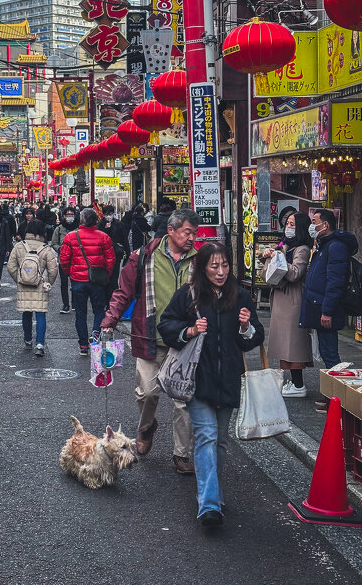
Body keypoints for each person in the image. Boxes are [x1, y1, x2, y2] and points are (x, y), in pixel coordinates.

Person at [158, 242, 264, 526]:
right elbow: (166, 324)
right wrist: (190, 330)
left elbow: (254, 338)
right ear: (202, 268)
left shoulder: (240, 295)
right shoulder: (189, 296)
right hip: (198, 379)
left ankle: (212, 493)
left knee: (220, 441)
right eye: (214, 266)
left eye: (225, 266)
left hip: (228, 379)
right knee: (205, 435)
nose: (220, 272)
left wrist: (245, 327)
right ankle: (209, 505)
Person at [101, 208, 200, 474]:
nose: (191, 238)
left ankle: (181, 454)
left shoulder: (200, 260)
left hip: (185, 340)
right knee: (146, 392)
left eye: (195, 233)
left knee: (183, 399)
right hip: (149, 336)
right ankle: (147, 427)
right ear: (171, 230)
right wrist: (110, 318)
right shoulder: (143, 256)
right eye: (186, 232)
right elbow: (124, 292)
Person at [300, 208, 359, 411]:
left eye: (314, 221)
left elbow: (335, 282)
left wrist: (327, 311)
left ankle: (337, 398)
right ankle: (331, 395)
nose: (312, 225)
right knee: (326, 352)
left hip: (326, 309)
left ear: (325, 225)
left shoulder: (335, 247)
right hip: (318, 306)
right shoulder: (324, 246)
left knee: (331, 354)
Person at [260, 211, 313, 397]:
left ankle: (299, 385)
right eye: (287, 224)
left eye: (292, 225)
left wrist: (278, 257)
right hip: (281, 298)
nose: (288, 228)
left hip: (293, 298)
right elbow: (265, 275)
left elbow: (295, 273)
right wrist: (269, 256)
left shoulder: (302, 249)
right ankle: (294, 382)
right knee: (284, 341)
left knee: (293, 341)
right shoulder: (284, 245)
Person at [59, 208, 115, 355]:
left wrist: (69, 273)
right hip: (97, 280)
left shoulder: (71, 237)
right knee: (99, 310)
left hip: (78, 280)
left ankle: (83, 345)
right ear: (96, 220)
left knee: (80, 313)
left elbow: (64, 259)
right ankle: (96, 332)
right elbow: (111, 259)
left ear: (81, 220)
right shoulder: (104, 237)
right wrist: (106, 275)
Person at [7, 219, 58, 356]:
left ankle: (28, 339)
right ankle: (40, 344)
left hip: (24, 284)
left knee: (26, 312)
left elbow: (11, 266)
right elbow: (53, 270)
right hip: (40, 285)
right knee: (40, 313)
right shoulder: (46, 249)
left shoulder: (19, 246)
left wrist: (19, 279)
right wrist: (48, 282)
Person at [98, 204, 130, 307]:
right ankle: (104, 301)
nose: (109, 216)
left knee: (113, 280)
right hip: (102, 256)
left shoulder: (119, 225)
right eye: (107, 214)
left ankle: (111, 304)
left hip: (116, 255)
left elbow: (125, 240)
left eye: (111, 214)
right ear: (103, 214)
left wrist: (127, 255)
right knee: (104, 280)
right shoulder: (99, 225)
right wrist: (106, 229)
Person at [51, 206, 79, 313]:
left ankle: (75, 303)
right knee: (64, 283)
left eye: (71, 215)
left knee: (75, 282)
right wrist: (60, 249)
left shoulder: (79, 229)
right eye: (68, 215)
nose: (70, 217)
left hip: (76, 260)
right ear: (64, 216)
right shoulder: (59, 229)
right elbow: (54, 243)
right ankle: (65, 304)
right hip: (63, 260)